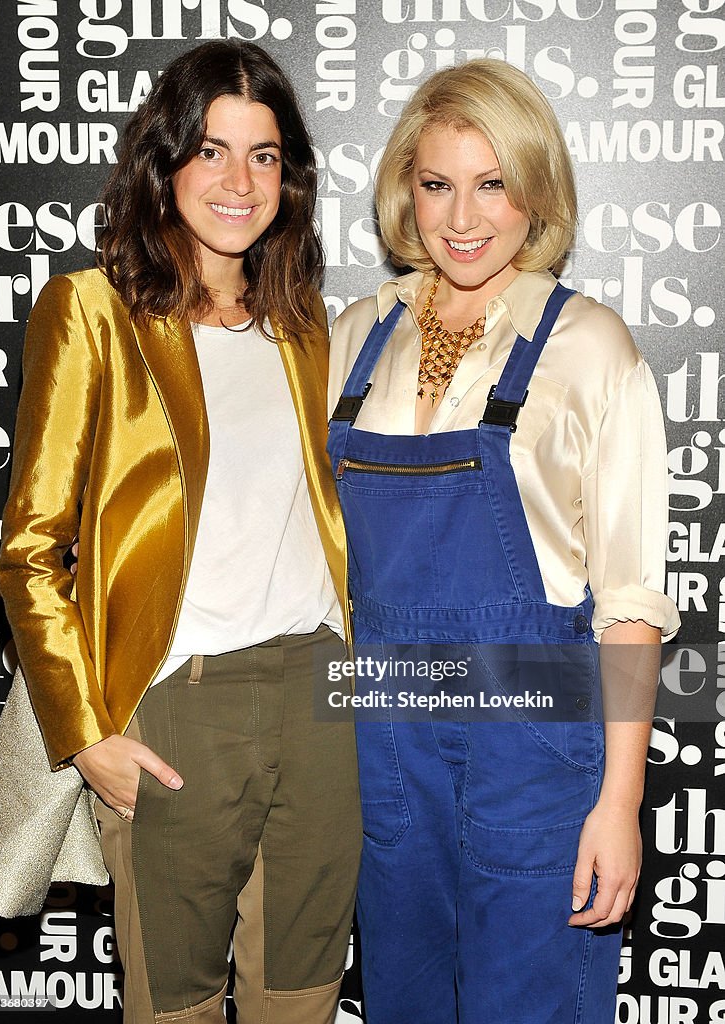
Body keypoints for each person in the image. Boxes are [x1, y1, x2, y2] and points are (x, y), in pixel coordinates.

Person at [0, 40, 361, 1024]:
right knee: (176, 1008)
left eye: (265, 156)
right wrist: (88, 736)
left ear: (291, 179)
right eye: (211, 150)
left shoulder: (308, 323)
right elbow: (30, 549)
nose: (238, 182)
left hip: (322, 699)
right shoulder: (92, 312)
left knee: (302, 999)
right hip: (179, 707)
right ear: (165, 162)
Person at [327, 59, 680, 1024]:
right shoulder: (352, 338)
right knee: (402, 1001)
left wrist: (619, 802)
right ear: (407, 191)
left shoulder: (592, 346)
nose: (461, 215)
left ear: (537, 194)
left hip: (536, 745)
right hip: (385, 735)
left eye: (493, 182)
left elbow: (629, 600)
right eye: (437, 183)